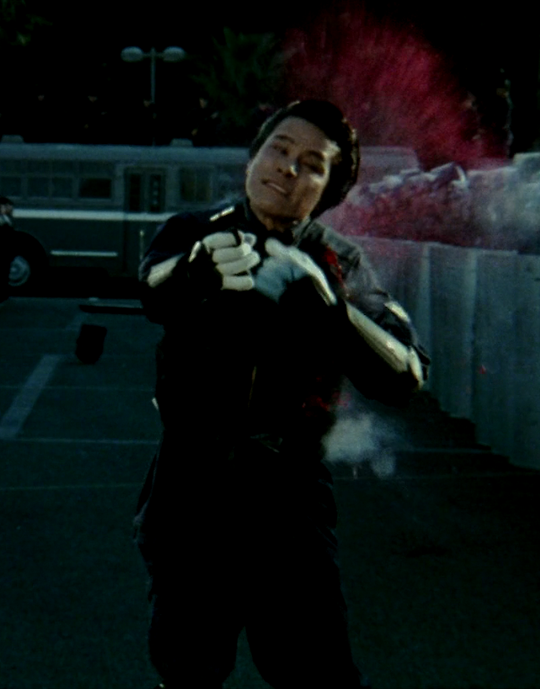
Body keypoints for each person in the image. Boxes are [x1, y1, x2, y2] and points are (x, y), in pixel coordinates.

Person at [133, 99, 429, 689]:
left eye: (312, 164)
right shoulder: (193, 232)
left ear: (329, 191)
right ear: (253, 157)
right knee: (187, 670)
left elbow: (406, 375)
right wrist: (195, 270)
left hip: (290, 489)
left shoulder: (341, 261)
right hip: (192, 482)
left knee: (318, 673)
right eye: (279, 149)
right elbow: (152, 290)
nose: (288, 168)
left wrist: (334, 313)